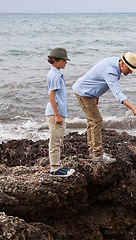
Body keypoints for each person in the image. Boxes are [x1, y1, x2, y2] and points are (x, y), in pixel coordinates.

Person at [72, 52, 136, 164]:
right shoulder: (111, 71)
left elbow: (98, 78)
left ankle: (92, 150)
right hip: (84, 93)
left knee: (92, 121)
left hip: (88, 92)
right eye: (129, 69)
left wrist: (96, 95)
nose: (131, 72)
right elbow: (117, 93)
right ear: (123, 64)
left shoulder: (115, 61)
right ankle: (98, 155)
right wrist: (132, 108)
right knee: (96, 120)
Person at [45, 47, 75, 177]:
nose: (66, 62)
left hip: (58, 111)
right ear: (56, 60)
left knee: (58, 139)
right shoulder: (54, 75)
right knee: (55, 140)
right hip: (54, 112)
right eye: (64, 60)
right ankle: (54, 169)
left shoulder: (56, 74)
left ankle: (57, 166)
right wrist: (57, 115)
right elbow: (51, 96)